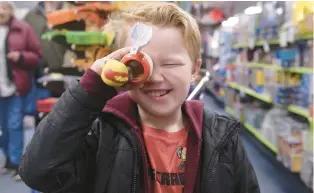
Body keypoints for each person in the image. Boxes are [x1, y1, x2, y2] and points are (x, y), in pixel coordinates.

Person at [19, 2, 260, 193]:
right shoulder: (102, 132)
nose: (155, 77)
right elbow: (39, 173)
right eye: (140, 65)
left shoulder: (221, 136)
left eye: (171, 63)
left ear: (194, 69)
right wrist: (90, 90)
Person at [0, 1, 41, 180]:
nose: (1, 11)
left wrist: (21, 56)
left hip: (16, 87)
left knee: (14, 125)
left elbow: (36, 56)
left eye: (4, 7)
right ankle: (9, 160)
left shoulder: (23, 29)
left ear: (11, 10)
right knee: (4, 128)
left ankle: (17, 164)